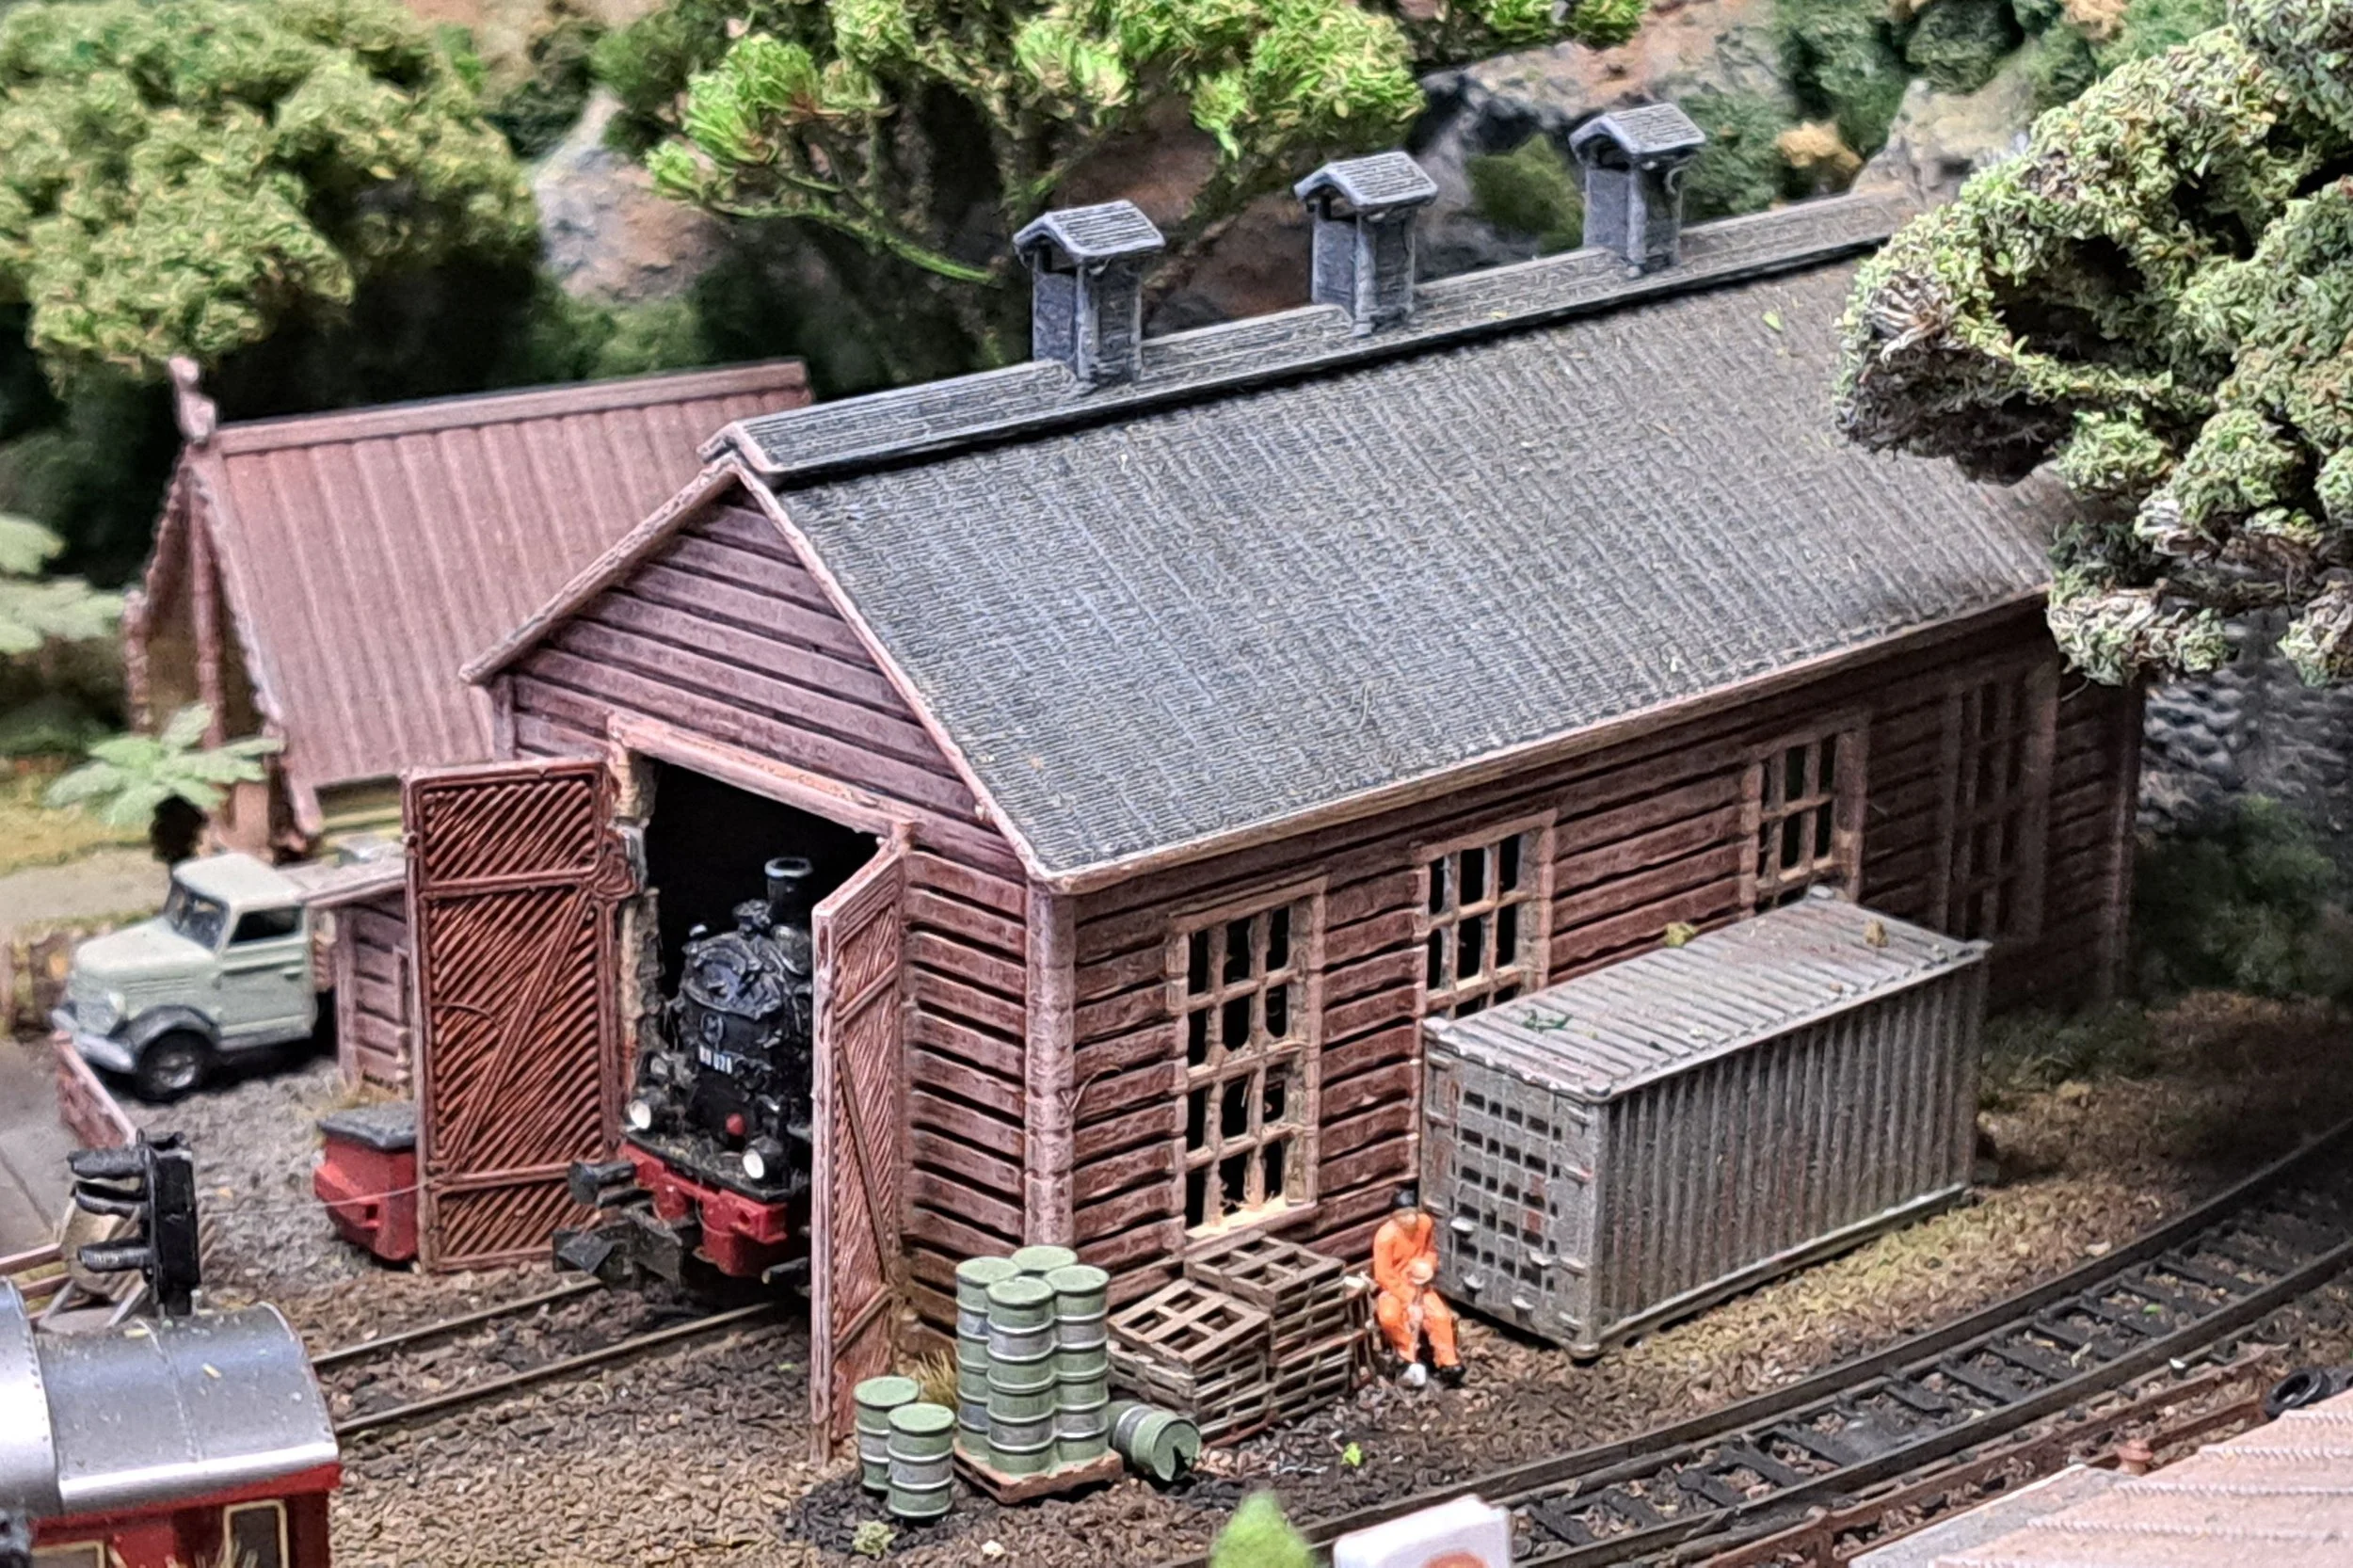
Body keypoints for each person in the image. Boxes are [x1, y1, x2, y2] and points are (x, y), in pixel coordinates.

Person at [1371, 1185, 1463, 1387]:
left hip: (1420, 1283)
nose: (1409, 1219)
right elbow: (1383, 1274)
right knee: (1389, 1316)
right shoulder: (1386, 1237)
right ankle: (1407, 1355)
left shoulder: (1425, 1224)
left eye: (1412, 1214)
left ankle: (1448, 1363)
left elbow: (1430, 1252)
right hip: (1395, 1289)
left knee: (1440, 1316)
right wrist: (1409, 1297)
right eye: (1403, 1216)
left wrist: (1428, 1266)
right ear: (1395, 1218)